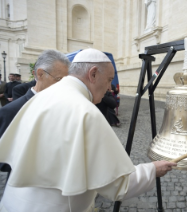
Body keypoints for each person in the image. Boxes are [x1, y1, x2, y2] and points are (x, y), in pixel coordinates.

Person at [0, 48, 176, 212]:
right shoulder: (85, 111)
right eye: (108, 80)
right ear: (92, 74)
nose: (109, 88)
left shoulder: (42, 96)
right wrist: (153, 169)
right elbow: (117, 185)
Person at [0, 49, 70, 184]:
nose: (64, 86)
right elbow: (3, 161)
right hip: (23, 188)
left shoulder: (65, 107)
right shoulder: (11, 111)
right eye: (59, 80)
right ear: (40, 74)